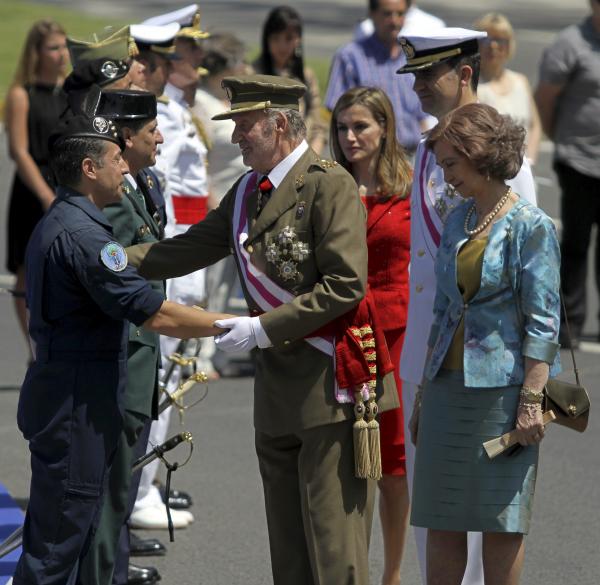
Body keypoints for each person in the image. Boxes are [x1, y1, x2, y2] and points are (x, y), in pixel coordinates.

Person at [125, 74, 399, 585]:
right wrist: (115, 259)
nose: (235, 138)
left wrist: (261, 330)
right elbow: (188, 248)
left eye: (245, 126)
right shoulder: (250, 189)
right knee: (289, 555)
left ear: (277, 124)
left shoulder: (327, 182)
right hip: (276, 395)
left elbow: (345, 285)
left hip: (328, 389)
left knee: (335, 552)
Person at [13, 113, 233, 585]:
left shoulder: (67, 221)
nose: (126, 169)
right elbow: (153, 311)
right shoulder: (87, 238)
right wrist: (236, 326)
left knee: (73, 533)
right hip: (77, 404)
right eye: (116, 159)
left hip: (70, 394)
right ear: (89, 169)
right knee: (58, 547)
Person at [395, 28, 537, 585]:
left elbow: (526, 265)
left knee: (484, 499)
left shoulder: (504, 153)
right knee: (430, 498)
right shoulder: (428, 150)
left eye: (429, 75)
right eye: (414, 76)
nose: (419, 88)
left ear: (465, 74)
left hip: (485, 353)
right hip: (426, 349)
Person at [410, 102, 560, 585]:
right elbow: (441, 313)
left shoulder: (529, 225)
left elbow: (543, 322)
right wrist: (421, 396)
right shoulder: (458, 219)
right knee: (442, 517)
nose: (445, 175)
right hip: (445, 391)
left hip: (503, 395)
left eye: (452, 163)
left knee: (501, 522)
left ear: (480, 155)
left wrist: (532, 401)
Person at [74, 89, 173, 585]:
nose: (159, 135)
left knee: (122, 492)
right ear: (123, 137)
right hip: (121, 359)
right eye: (149, 128)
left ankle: (112, 572)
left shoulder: (139, 184)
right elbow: (113, 275)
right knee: (110, 497)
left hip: (138, 355)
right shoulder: (111, 200)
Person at [330, 86, 411, 585]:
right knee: (347, 452)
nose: (350, 136)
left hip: (397, 330)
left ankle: (394, 573)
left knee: (393, 457)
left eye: (360, 126)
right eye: (342, 128)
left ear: (384, 128)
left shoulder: (411, 184)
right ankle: (352, 565)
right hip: (343, 327)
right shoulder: (329, 183)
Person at [130, 20, 209, 530]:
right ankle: (137, 492)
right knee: (160, 375)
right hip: (173, 252)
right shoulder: (153, 114)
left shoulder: (177, 111)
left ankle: (148, 481)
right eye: (188, 50)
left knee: (174, 375)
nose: (196, 60)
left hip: (189, 250)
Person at [534, 2, 600, 349]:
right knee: (575, 244)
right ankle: (570, 324)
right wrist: (558, 136)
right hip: (579, 162)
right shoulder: (572, 43)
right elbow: (545, 97)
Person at [4, 19, 69, 356]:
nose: (61, 54)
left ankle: (59, 344)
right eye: (53, 48)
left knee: (65, 268)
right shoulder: (22, 94)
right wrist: (45, 194)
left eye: (63, 46)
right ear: (37, 52)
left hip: (68, 183)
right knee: (27, 271)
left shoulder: (71, 90)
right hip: (32, 190)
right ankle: (35, 349)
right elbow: (18, 150)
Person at [325, 0, 428, 154]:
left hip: (411, 156)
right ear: (372, 14)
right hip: (370, 158)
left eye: (400, 14)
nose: (394, 21)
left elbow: (423, 116)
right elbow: (337, 111)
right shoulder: (350, 57)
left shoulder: (412, 57)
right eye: (387, 14)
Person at [253, 6, 327, 154]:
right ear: (266, 40)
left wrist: (310, 160)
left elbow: (319, 126)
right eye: (275, 38)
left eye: (288, 38)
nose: (282, 45)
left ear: (298, 40)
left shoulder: (306, 76)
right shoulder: (252, 76)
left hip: (303, 158)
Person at [474, 13, 542, 165]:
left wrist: (529, 160)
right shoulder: (473, 86)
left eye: (500, 40)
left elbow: (535, 125)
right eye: (486, 39)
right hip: (491, 171)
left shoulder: (521, 81)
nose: (493, 46)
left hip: (524, 168)